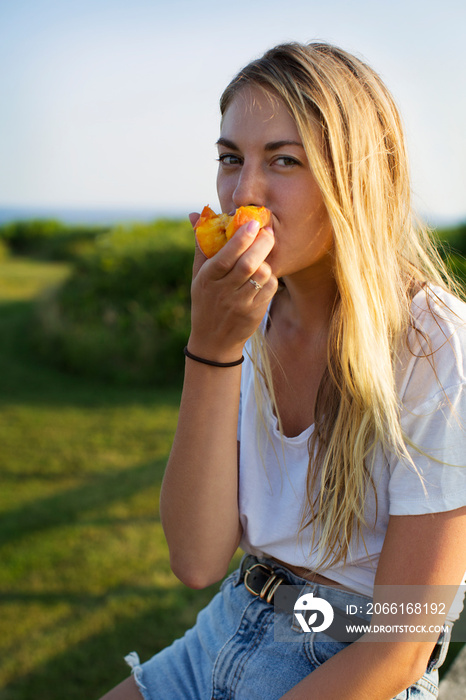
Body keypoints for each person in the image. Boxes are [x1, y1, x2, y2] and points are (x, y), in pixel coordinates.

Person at [100, 42, 466, 700]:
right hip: (228, 622)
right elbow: (197, 558)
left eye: (284, 161)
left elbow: (402, 647)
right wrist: (213, 345)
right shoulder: (256, 316)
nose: (244, 194)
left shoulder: (434, 345)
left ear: (359, 176)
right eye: (230, 159)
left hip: (345, 661)